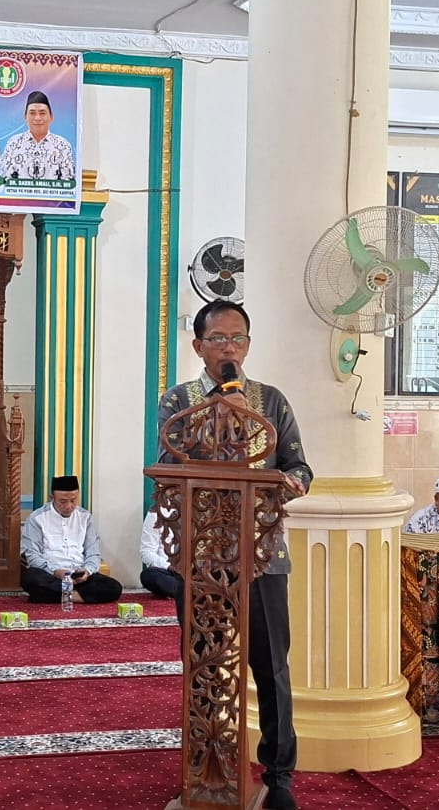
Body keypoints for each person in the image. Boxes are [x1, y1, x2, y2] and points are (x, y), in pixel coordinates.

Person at [155, 299, 311, 810]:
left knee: (272, 667)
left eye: (237, 338)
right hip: (203, 557)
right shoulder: (178, 401)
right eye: (218, 339)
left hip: (263, 553)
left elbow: (300, 469)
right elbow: (167, 467)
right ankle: (205, 767)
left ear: (248, 345)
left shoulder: (271, 400)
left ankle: (279, 775)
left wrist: (286, 482)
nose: (229, 348)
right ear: (198, 346)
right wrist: (216, 419)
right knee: (204, 664)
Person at [20, 475, 123, 604]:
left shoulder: (85, 517)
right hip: (52, 575)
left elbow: (93, 552)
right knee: (30, 578)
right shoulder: (37, 518)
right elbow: (33, 555)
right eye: (63, 501)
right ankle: (80, 596)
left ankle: (58, 596)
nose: (69, 506)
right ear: (52, 498)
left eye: (73, 501)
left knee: (113, 587)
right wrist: (56, 572)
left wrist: (87, 570)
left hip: (78, 575)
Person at [0, 90, 75, 180]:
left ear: (51, 117)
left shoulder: (62, 145)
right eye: (32, 113)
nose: (37, 118)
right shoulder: (14, 143)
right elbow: (4, 178)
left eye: (42, 113)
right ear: (25, 117)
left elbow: (68, 181)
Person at [137, 509, 182, 601]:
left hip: (198, 572)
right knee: (148, 575)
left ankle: (185, 591)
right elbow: (146, 552)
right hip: (171, 571)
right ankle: (192, 592)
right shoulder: (157, 512)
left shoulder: (203, 510)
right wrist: (170, 567)